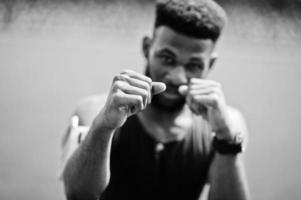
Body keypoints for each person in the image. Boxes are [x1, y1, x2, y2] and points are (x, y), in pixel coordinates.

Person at [60, 0, 250, 199]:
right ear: (147, 48)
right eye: (167, 58)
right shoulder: (94, 111)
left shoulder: (227, 124)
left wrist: (225, 138)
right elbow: (78, 194)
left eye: (194, 65)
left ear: (210, 64)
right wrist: (104, 126)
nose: (177, 77)